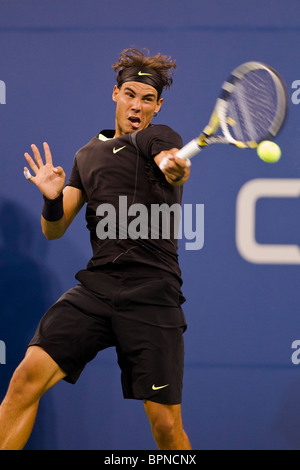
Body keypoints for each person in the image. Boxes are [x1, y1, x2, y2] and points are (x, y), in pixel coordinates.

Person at [0, 48, 191, 450]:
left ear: (158, 106)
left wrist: (174, 165)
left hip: (152, 294)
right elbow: (53, 230)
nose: (136, 105)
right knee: (24, 379)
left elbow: (171, 160)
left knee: (165, 425)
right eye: (130, 94)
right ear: (115, 95)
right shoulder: (86, 156)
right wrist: (52, 199)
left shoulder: (162, 137)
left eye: (147, 99)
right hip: (98, 289)